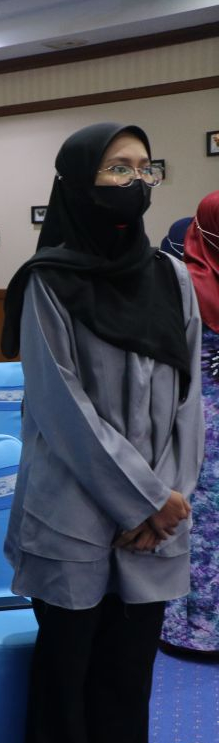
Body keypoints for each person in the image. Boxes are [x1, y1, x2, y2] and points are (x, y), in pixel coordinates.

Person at [0, 122, 201, 743]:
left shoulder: (172, 278)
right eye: (118, 168)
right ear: (78, 183)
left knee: (126, 684)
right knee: (66, 685)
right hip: (72, 513)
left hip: (156, 522)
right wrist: (145, 501)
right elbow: (61, 408)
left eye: (145, 168)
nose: (136, 181)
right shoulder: (48, 282)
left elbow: (190, 401)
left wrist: (169, 500)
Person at [162, 190, 219, 657]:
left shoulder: (180, 282)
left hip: (197, 414)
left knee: (200, 519)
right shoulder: (180, 282)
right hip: (200, 418)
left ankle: (192, 627)